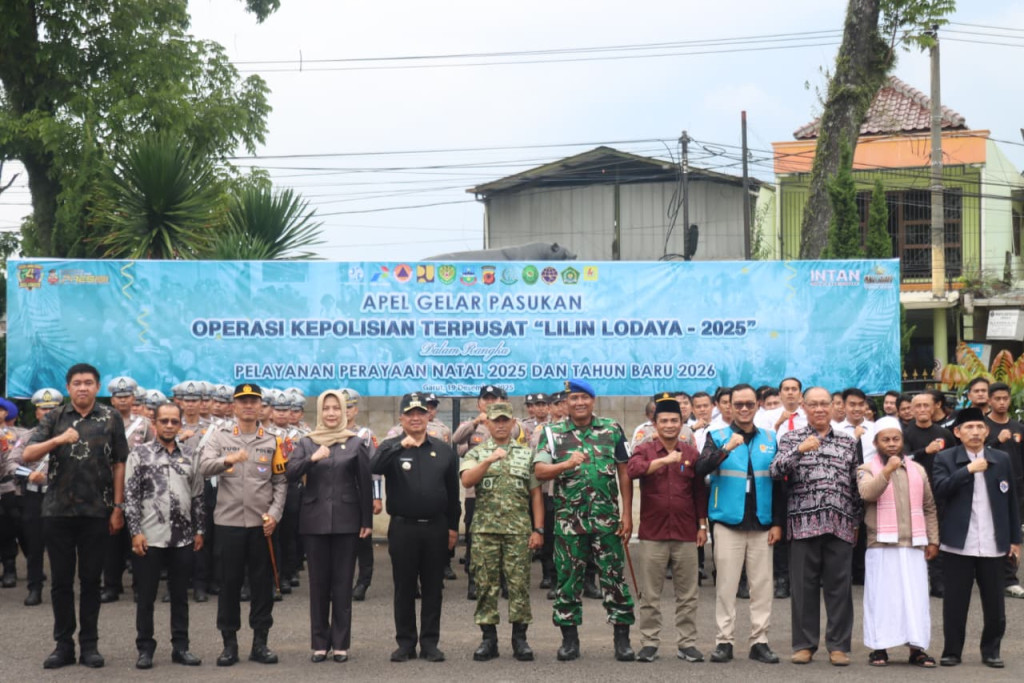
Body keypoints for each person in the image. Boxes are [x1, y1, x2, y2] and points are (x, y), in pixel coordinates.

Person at [22, 363, 130, 669]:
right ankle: (63, 645)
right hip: (58, 511)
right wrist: (57, 440)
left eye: (89, 383)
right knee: (60, 582)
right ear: (68, 388)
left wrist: (118, 507)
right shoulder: (55, 417)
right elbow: (28, 454)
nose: (82, 388)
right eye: (77, 383)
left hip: (97, 512)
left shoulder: (111, 418)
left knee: (91, 581)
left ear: (98, 387)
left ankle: (89, 646)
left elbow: (120, 462)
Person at [533, 379, 635, 662]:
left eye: (584, 397)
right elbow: (540, 471)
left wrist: (627, 513)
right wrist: (565, 464)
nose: (579, 402)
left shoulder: (612, 430)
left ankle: (622, 639)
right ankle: (569, 641)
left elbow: (624, 471)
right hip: (569, 522)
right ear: (566, 402)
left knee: (614, 577)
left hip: (607, 521)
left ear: (593, 400)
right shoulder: (552, 433)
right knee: (568, 579)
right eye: (574, 398)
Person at [198, 383, 288, 667]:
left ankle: (260, 643)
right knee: (229, 584)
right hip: (228, 523)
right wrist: (228, 460)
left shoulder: (272, 440)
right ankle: (229, 644)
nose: (248, 406)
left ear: (261, 406)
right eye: (243, 401)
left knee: (262, 585)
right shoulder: (219, 435)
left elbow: (280, 481)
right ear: (235, 406)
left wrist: (274, 514)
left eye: (254, 401)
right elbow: (204, 466)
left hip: (261, 526)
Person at [772, 386, 861, 667]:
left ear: (835, 407)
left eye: (825, 404)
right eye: (814, 404)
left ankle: (838, 646)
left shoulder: (847, 441)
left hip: (840, 524)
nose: (820, 409)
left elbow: (856, 484)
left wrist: (856, 521)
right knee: (803, 588)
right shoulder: (790, 438)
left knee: (839, 589)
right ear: (803, 406)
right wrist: (799, 450)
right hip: (802, 524)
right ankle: (804, 645)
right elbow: (775, 471)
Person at [695, 384, 783, 665]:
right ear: (728, 406)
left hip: (761, 522)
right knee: (726, 587)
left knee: (762, 587)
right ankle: (724, 641)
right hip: (727, 522)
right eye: (738, 404)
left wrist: (778, 523)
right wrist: (724, 449)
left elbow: (780, 484)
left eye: (749, 404)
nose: (744, 409)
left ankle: (760, 641)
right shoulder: (717, 435)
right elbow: (700, 470)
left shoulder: (770, 437)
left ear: (757, 405)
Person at [372, 392, 460, 663]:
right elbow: (373, 466)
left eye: (420, 413)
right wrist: (401, 447)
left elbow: (452, 493)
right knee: (404, 588)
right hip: (403, 528)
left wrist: (453, 528)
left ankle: (430, 643)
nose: (415, 418)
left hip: (436, 528)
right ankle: (406, 643)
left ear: (428, 416)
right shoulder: (391, 446)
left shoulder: (443, 449)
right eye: (409, 414)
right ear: (401, 418)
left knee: (434, 587)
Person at [286, 389, 372, 663]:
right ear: (320, 412)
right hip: (314, 522)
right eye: (327, 408)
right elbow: (289, 473)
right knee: (319, 585)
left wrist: (367, 521)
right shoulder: (307, 442)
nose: (332, 413)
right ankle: (320, 643)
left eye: (337, 408)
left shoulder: (356, 443)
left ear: (345, 412)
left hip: (347, 521)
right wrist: (312, 459)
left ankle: (341, 644)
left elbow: (365, 483)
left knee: (343, 584)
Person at [932, 407, 1022, 668]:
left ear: (986, 431)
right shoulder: (946, 458)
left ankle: (991, 650)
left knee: (995, 605)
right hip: (958, 543)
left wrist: (1015, 540)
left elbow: (1011, 502)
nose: (975, 432)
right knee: (955, 603)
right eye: (968, 428)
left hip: (994, 543)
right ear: (957, 433)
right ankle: (952, 651)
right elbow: (940, 489)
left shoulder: (1001, 459)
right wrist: (968, 470)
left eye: (979, 427)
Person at [460, 401, 544, 662]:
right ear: (487, 423)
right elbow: (467, 480)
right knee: (486, 585)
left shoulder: (526, 454)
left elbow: (536, 495)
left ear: (512, 423)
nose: (500, 424)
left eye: (505, 420)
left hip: (518, 531)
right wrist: (489, 460)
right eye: (495, 420)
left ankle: (520, 639)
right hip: (485, 531)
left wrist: (538, 529)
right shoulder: (476, 453)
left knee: (519, 585)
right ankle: (489, 639)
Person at [124, 402, 204, 669]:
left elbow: (197, 496)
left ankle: (181, 648)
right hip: (149, 536)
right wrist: (135, 532)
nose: (169, 425)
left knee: (180, 596)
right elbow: (131, 497)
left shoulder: (191, 454)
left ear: (180, 424)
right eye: (164, 421)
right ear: (155, 424)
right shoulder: (139, 453)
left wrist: (199, 530)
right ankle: (145, 648)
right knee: (146, 597)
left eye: (174, 421)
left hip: (182, 537)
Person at [628, 393, 708, 664]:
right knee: (650, 594)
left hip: (686, 533)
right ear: (654, 423)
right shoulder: (645, 448)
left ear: (682, 421)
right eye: (664, 421)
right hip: (653, 534)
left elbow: (699, 492)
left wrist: (701, 525)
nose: (671, 425)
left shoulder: (691, 453)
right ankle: (649, 643)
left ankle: (687, 644)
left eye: (675, 420)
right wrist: (664, 461)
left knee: (687, 595)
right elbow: (633, 470)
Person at [857, 417, 939, 668]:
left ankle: (917, 648)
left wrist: (933, 539)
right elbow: (867, 493)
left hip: (913, 544)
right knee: (882, 599)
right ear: (876, 442)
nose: (892, 444)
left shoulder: (917, 470)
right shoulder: (866, 468)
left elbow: (929, 507)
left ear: (902, 441)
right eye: (886, 440)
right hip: (881, 545)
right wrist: (888, 470)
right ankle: (879, 648)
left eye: (896, 439)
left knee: (915, 600)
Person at [101, 375, 155, 604]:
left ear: (133, 397)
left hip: (139, 486)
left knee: (138, 534)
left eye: (126, 396)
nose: (122, 400)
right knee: (110, 540)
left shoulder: (144, 425)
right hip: (108, 485)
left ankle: (140, 586)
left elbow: (154, 451)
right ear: (112, 400)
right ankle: (111, 585)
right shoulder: (102, 422)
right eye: (118, 396)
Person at [9, 387, 64, 606]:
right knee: (34, 546)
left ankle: (61, 589)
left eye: (52, 408)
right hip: (35, 497)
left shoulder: (71, 435)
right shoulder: (28, 437)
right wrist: (29, 473)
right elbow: (11, 463)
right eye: (43, 409)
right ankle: (34, 588)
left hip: (61, 497)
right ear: (37, 411)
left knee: (61, 546)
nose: (47, 412)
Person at [904, 391, 955, 598]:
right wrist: (926, 450)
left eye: (927, 405)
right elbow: (904, 458)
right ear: (912, 410)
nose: (923, 410)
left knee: (938, 537)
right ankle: (914, 582)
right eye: (918, 406)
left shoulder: (945, 434)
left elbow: (955, 458)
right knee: (914, 537)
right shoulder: (905, 433)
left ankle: (939, 582)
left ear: (934, 407)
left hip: (941, 491)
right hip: (913, 492)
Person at [341, 388, 382, 603]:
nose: (344, 411)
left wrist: (377, 497)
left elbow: (375, 469)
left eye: (348, 407)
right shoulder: (325, 433)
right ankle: (340, 583)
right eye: (341, 406)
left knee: (363, 541)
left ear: (355, 410)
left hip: (360, 493)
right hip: (337, 495)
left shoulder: (365, 435)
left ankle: (363, 582)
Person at [984, 382, 1024, 598]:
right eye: (997, 398)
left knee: (1012, 533)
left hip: (1015, 488)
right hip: (987, 487)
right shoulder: (982, 425)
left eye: (1005, 398)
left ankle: (1010, 579)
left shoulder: (1018, 427)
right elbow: (977, 453)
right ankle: (988, 576)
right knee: (989, 532)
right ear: (989, 400)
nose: (1001, 402)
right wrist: (995, 441)